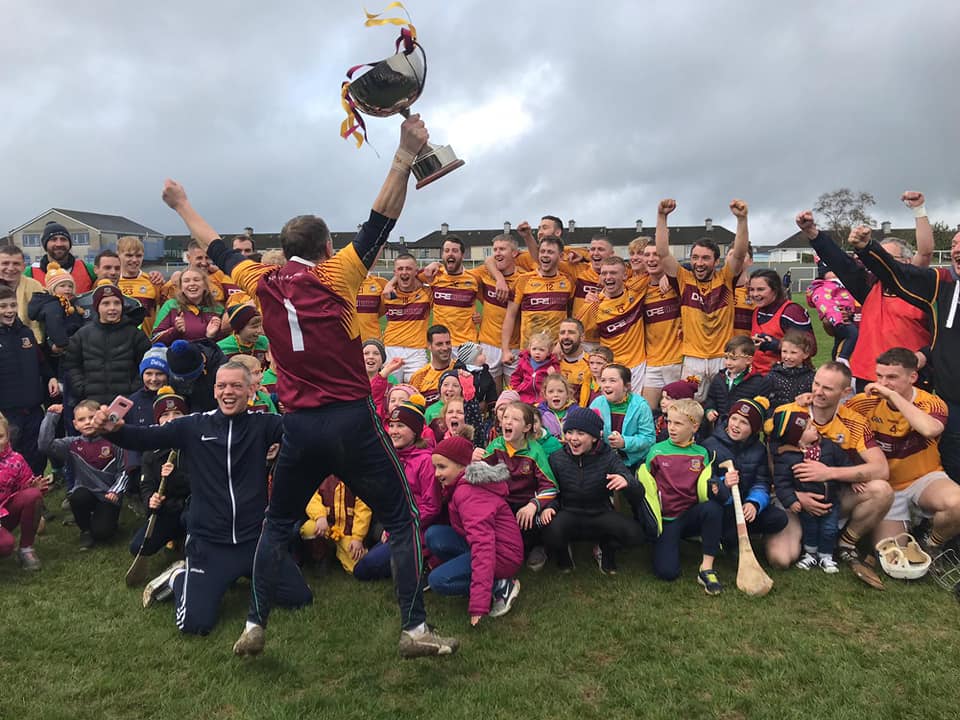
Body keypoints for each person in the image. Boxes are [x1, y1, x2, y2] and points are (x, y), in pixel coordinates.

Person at [161, 115, 458, 657]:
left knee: (276, 525)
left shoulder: (260, 279)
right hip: (352, 419)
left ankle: (254, 624)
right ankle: (415, 629)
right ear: (326, 246)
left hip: (297, 423)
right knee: (402, 518)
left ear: (282, 248)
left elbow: (216, 245)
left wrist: (181, 204)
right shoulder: (337, 273)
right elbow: (381, 219)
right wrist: (403, 154)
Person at [98, 361, 313, 634]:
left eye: (236, 386)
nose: (228, 392)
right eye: (221, 386)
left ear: (251, 390)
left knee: (300, 598)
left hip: (255, 540)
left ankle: (240, 575)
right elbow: (145, 438)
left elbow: (304, 431)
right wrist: (114, 429)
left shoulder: (264, 424)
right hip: (210, 543)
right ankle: (179, 577)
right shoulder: (194, 425)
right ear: (214, 391)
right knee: (194, 625)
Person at [848, 224, 960, 488]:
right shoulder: (942, 284)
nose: (956, 249)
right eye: (954, 244)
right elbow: (899, 273)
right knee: (953, 458)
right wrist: (867, 248)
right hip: (953, 397)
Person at [763, 362, 892, 589]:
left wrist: (829, 473)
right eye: (816, 384)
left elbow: (881, 469)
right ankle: (809, 538)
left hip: (831, 498)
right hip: (791, 500)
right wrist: (795, 496)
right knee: (780, 559)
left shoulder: (855, 421)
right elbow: (772, 461)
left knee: (882, 490)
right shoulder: (788, 413)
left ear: (845, 392)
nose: (818, 392)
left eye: (828, 388)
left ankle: (844, 543)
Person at [797, 200, 935, 390]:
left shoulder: (926, 292)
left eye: (887, 259)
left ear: (906, 261)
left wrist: (923, 355)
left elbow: (943, 338)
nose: (880, 264)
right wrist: (812, 232)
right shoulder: (870, 287)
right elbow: (841, 264)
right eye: (877, 258)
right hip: (867, 377)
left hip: (909, 379)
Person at [845, 348, 960, 554]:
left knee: (957, 504)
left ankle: (932, 544)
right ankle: (911, 523)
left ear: (912, 377)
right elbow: (832, 424)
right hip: (887, 488)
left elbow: (929, 429)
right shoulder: (863, 403)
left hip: (924, 479)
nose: (883, 383)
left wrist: (893, 396)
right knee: (893, 555)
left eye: (892, 377)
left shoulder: (931, 402)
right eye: (879, 376)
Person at [655, 198, 751, 402]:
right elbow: (662, 253)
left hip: (723, 359)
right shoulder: (684, 279)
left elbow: (740, 253)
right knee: (689, 407)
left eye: (705, 258)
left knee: (725, 406)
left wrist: (742, 220)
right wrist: (662, 217)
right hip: (693, 361)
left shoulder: (725, 278)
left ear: (716, 261)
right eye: (695, 257)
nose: (699, 263)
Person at [542, 406, 653, 574]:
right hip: (568, 512)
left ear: (594, 437)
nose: (573, 438)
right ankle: (563, 553)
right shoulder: (557, 458)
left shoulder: (608, 457)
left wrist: (627, 482)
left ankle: (605, 548)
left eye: (581, 433)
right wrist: (550, 507)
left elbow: (638, 492)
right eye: (569, 432)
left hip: (599, 513)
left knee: (635, 535)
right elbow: (552, 490)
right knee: (548, 529)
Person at [427, 435, 523, 626]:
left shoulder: (468, 493)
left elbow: (483, 546)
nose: (436, 473)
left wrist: (479, 603)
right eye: (435, 467)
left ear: (462, 466)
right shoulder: (462, 485)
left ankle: (500, 585)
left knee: (439, 581)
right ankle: (484, 579)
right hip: (494, 545)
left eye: (442, 467)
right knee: (434, 535)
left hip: (502, 555)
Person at [639, 398, 726, 594]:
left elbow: (709, 487)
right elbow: (645, 487)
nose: (671, 427)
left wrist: (718, 487)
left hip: (691, 514)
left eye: (678, 423)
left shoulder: (702, 454)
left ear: (694, 427)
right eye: (669, 421)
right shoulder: (656, 451)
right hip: (667, 520)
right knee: (667, 573)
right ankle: (663, 542)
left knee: (713, 508)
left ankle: (706, 568)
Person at [354, 398, 442, 581]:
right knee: (362, 567)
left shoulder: (425, 461)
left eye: (400, 426)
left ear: (415, 431)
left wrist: (398, 527)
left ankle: (425, 559)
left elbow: (431, 507)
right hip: (395, 524)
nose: (394, 431)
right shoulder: (392, 455)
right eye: (392, 426)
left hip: (416, 529)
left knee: (365, 569)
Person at [702, 396, 788, 558]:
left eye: (744, 423)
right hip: (723, 505)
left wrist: (754, 503)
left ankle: (742, 534)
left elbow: (762, 481)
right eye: (734, 418)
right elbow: (704, 482)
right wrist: (723, 483)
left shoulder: (759, 449)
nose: (736, 425)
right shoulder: (710, 445)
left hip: (743, 504)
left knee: (778, 518)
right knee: (721, 517)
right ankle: (727, 539)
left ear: (754, 429)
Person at [476, 401, 558, 571]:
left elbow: (550, 486)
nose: (508, 421)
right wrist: (473, 459)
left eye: (515, 419)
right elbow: (479, 472)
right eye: (505, 417)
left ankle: (538, 546)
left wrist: (533, 505)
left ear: (527, 427)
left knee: (534, 522)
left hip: (526, 502)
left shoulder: (535, 451)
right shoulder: (497, 445)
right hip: (503, 501)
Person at [770, 404, 849, 573]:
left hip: (830, 502)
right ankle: (810, 553)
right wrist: (792, 500)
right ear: (798, 440)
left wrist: (853, 480)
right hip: (804, 507)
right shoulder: (787, 457)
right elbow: (782, 483)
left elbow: (844, 462)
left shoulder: (828, 447)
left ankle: (826, 555)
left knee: (829, 529)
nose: (814, 427)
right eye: (808, 428)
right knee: (810, 528)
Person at [40, 400, 128, 548]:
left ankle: (104, 521)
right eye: (81, 419)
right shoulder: (72, 444)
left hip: (108, 496)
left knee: (102, 534)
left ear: (100, 418)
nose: (87, 422)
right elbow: (45, 446)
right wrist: (51, 417)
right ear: (75, 424)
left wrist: (115, 491)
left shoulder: (114, 443)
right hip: (85, 492)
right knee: (78, 496)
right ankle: (85, 530)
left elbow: (124, 471)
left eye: (92, 417)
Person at [61, 284, 153, 405]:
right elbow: (71, 364)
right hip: (91, 404)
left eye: (117, 303)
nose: (112, 308)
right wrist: (81, 388)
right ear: (97, 307)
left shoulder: (135, 334)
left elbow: (146, 364)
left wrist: (134, 390)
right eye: (106, 304)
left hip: (126, 403)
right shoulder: (82, 335)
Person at [0, 285, 58, 474]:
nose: (9, 311)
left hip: (33, 408)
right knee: (10, 454)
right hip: (7, 412)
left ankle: (35, 485)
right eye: (3, 306)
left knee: (37, 451)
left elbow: (40, 361)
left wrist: (50, 377)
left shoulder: (26, 333)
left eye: (12, 305)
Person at [128, 387, 191, 558]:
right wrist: (151, 499)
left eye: (177, 413)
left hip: (192, 508)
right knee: (138, 547)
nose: (171, 419)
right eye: (165, 415)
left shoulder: (195, 445)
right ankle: (176, 537)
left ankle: (188, 540)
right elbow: (146, 484)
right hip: (167, 510)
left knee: (192, 546)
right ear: (158, 420)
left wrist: (176, 476)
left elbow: (203, 483)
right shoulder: (151, 451)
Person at [500, 235, 575, 366]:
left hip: (557, 352)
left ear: (561, 256)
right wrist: (505, 350)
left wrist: (561, 343)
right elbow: (510, 316)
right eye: (542, 251)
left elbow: (571, 317)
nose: (545, 255)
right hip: (529, 352)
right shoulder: (523, 280)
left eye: (550, 252)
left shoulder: (568, 281)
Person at [579, 256, 648, 393]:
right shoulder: (594, 305)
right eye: (604, 273)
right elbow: (576, 331)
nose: (608, 277)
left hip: (637, 365)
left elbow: (656, 266)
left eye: (613, 273)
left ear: (624, 275)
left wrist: (664, 277)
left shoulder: (635, 291)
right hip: (611, 368)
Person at [475, 234, 536, 383]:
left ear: (514, 253)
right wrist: (499, 278)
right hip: (489, 343)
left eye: (502, 249)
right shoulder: (485, 272)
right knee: (491, 393)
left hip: (515, 345)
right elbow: (460, 276)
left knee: (514, 392)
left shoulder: (525, 277)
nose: (497, 253)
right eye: (495, 249)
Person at [638, 240, 683, 409]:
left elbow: (692, 271)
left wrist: (669, 275)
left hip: (677, 361)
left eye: (656, 254)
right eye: (647, 255)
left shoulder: (678, 283)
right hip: (653, 362)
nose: (651, 259)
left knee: (677, 412)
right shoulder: (640, 289)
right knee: (647, 411)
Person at [0, 413, 47, 570]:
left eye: (0, 436)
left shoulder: (16, 459)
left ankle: (26, 549)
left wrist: (35, 487)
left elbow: (24, 488)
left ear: (8, 436)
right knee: (5, 544)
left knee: (33, 495)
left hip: (5, 513)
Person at [748, 268, 816, 376]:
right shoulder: (756, 311)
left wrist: (776, 345)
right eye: (751, 289)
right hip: (757, 377)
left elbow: (811, 349)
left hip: (786, 378)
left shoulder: (791, 312)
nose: (755, 294)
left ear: (775, 289)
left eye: (760, 289)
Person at [588, 363, 655, 471]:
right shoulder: (597, 403)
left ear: (626, 386)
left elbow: (648, 439)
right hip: (602, 460)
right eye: (603, 380)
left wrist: (624, 442)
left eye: (612, 381)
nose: (606, 385)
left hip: (633, 463)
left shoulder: (640, 406)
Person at [299, 475, 372, 573]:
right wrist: (320, 517)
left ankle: (344, 553)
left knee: (359, 567)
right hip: (326, 526)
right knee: (309, 529)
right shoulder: (320, 475)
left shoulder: (358, 478)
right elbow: (311, 498)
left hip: (347, 533)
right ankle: (321, 558)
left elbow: (363, 510)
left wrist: (357, 538)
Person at [381, 253, 432, 383]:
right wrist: (390, 283)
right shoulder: (387, 294)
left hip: (417, 352)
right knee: (390, 390)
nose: (404, 272)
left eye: (409, 268)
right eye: (400, 269)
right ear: (395, 272)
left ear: (416, 272)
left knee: (417, 390)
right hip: (391, 349)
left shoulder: (427, 293)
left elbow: (435, 274)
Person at [421, 235, 479, 347]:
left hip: (467, 343)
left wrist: (480, 318)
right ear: (442, 255)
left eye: (455, 251)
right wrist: (391, 284)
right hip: (441, 343)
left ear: (462, 255)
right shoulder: (434, 274)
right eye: (447, 251)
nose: (450, 254)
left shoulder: (474, 278)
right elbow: (408, 274)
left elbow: (487, 302)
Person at [702, 335, 770, 428]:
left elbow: (759, 409)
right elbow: (711, 398)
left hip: (741, 429)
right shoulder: (719, 378)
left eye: (733, 359)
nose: (728, 363)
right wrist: (709, 410)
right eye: (726, 358)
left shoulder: (758, 382)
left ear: (748, 360)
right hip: (719, 427)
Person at [152, 268, 226, 345]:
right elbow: (154, 338)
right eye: (186, 281)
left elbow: (225, 343)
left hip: (207, 352)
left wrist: (211, 336)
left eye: (196, 280)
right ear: (181, 287)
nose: (192, 284)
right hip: (176, 352)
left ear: (205, 285)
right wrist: (175, 331)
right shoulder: (171, 305)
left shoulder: (218, 309)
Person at [25, 221, 96, 293]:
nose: (59, 244)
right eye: (53, 239)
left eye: (63, 239)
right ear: (45, 245)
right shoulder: (29, 273)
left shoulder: (88, 269)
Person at [117, 236, 164, 336]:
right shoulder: (110, 282)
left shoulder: (153, 281)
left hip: (145, 340)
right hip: (118, 341)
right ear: (118, 255)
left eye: (139, 256)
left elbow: (169, 308)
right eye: (129, 255)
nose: (134, 260)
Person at [0, 244, 45, 342]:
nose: (10, 268)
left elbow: (38, 320)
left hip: (28, 340)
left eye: (16, 264)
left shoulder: (34, 285)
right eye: (5, 263)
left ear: (24, 267)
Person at [410, 325, 461, 406]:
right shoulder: (419, 376)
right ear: (429, 346)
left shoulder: (461, 370)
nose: (445, 348)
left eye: (448, 343)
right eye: (439, 344)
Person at [767, 329, 817, 411]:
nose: (788, 357)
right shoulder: (773, 375)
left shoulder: (812, 377)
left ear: (805, 354)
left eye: (793, 352)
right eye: (784, 351)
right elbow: (763, 400)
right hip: (776, 416)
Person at [510, 330, 561, 404]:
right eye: (534, 349)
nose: (537, 352)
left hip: (542, 398)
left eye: (541, 350)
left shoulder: (552, 365)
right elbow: (516, 376)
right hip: (524, 395)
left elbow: (558, 381)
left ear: (548, 352)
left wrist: (554, 375)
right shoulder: (524, 361)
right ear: (529, 349)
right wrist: (515, 389)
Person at [557, 318, 592, 407]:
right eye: (562, 333)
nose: (566, 336)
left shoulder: (592, 364)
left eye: (571, 332)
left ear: (582, 337)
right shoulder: (551, 363)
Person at [537, 373, 578, 440]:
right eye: (551, 392)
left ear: (567, 394)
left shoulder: (576, 412)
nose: (556, 394)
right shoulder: (539, 414)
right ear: (545, 395)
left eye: (560, 391)